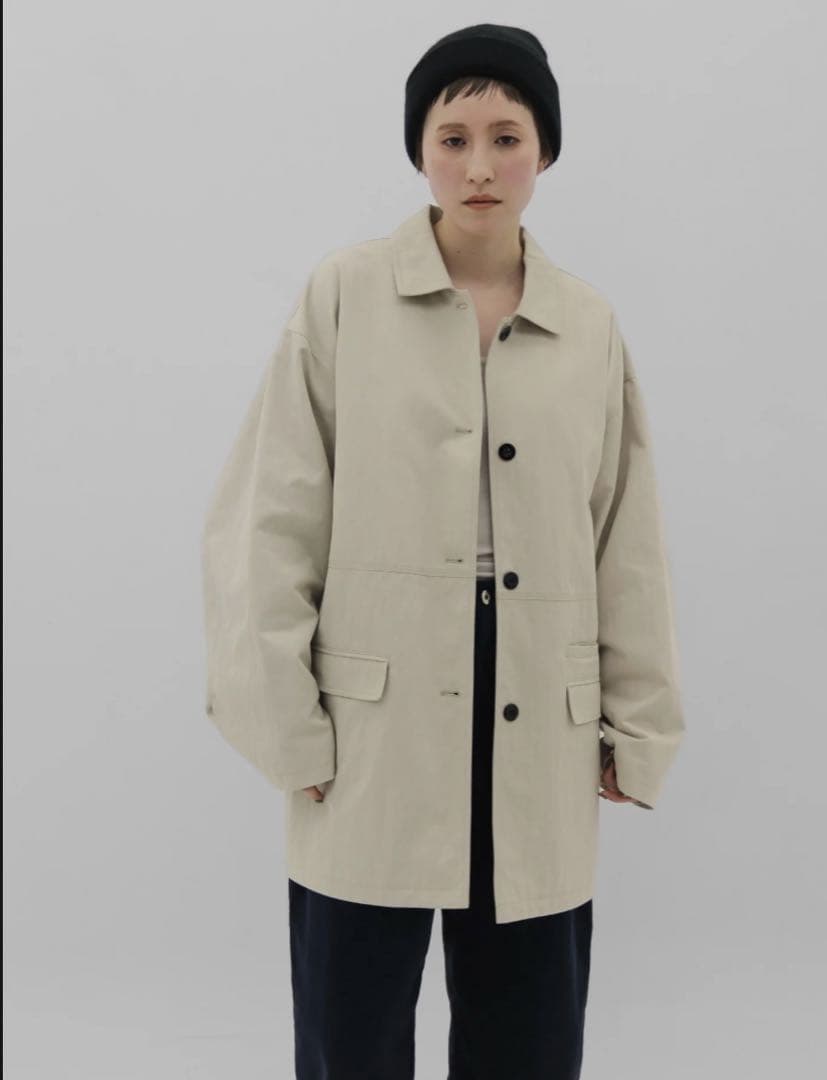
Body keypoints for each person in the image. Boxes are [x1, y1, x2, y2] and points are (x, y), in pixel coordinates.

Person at [201, 22, 685, 1080]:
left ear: (544, 150)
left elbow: (624, 539)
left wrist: (637, 721)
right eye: (451, 137)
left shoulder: (586, 323)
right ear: (418, 150)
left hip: (537, 713)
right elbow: (267, 520)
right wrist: (285, 725)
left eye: (506, 137)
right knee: (351, 1031)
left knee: (528, 1034)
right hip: (368, 721)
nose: (478, 167)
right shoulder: (343, 296)